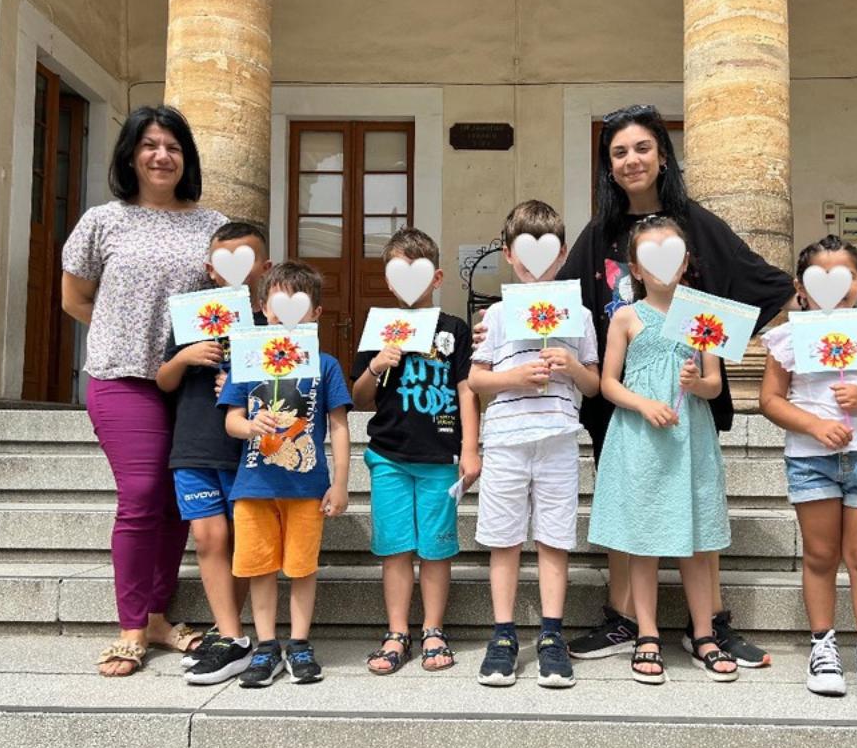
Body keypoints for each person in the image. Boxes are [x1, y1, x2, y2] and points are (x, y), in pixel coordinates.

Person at [556, 105, 794, 666]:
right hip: (624, 402)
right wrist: (506, 324)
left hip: (689, 402)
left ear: (662, 155)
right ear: (608, 166)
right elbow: (562, 301)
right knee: (631, 512)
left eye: (642, 148)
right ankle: (623, 621)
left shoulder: (698, 226)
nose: (631, 160)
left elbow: (768, 286)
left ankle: (709, 624)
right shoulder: (599, 234)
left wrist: (719, 343)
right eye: (618, 152)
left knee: (696, 507)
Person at [62, 105, 227, 677]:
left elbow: (228, 301)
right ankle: (131, 626)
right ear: (131, 155)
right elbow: (74, 298)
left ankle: (157, 615)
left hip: (191, 382)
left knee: (179, 498)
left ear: (187, 158)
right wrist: (123, 334)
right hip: (122, 377)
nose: (162, 156)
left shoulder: (212, 226)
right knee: (140, 493)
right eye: (151, 145)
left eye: (173, 147)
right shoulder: (103, 221)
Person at [759, 235, 857, 708]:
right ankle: (823, 646)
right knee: (820, 554)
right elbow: (770, 399)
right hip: (811, 460)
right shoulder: (787, 338)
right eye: (819, 277)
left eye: (844, 276)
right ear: (800, 288)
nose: (833, 286)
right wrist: (815, 425)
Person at [588, 215, 738, 685]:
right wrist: (644, 403)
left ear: (685, 261)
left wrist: (697, 383)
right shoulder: (625, 318)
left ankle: (704, 633)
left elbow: (715, 384)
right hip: (640, 440)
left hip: (689, 438)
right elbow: (608, 383)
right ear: (635, 268)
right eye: (650, 258)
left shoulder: (703, 314)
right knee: (644, 541)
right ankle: (647, 633)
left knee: (695, 542)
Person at [468, 201, 601, 688]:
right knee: (504, 540)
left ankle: (551, 635)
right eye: (523, 251)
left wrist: (573, 366)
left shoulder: (579, 315)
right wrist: (515, 377)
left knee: (554, 538)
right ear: (508, 254)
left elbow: (594, 385)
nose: (534, 261)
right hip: (506, 438)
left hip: (559, 438)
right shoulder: (497, 315)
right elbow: (476, 379)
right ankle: (503, 634)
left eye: (545, 251)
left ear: (562, 254)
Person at [351, 228, 481, 675]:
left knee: (436, 549)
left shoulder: (454, 329)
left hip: (439, 457)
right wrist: (375, 365)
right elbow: (360, 397)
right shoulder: (378, 328)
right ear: (389, 281)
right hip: (388, 456)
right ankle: (396, 631)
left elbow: (466, 389)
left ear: (436, 277)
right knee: (395, 548)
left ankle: (433, 628)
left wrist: (470, 448)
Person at [218, 261, 352, 687]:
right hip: (254, 486)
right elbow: (231, 420)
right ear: (263, 308)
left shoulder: (326, 365)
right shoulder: (248, 360)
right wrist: (250, 426)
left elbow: (339, 426)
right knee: (259, 569)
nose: (287, 309)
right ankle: (265, 646)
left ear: (316, 312)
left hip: (306, 486)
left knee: (301, 568)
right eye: (277, 301)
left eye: (298, 301)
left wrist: (341, 483)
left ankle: (299, 643)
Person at [156, 221, 272, 684]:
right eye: (225, 260)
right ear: (210, 269)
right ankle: (231, 636)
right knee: (208, 538)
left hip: (248, 450)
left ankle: (229, 637)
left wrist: (245, 385)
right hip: (194, 445)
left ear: (264, 266)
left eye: (247, 258)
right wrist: (184, 358)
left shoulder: (271, 324)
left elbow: (289, 389)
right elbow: (164, 381)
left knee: (243, 539)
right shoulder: (190, 320)